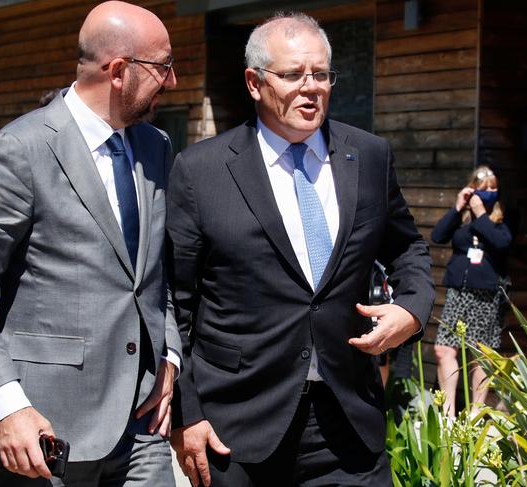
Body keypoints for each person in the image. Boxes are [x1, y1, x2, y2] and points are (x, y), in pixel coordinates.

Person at [166, 12, 434, 487]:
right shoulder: (200, 170)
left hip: (348, 419)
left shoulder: (369, 156)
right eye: (292, 75)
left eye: (322, 74)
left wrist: (411, 310)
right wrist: (187, 414)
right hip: (238, 428)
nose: (311, 88)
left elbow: (407, 247)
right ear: (254, 82)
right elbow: (175, 301)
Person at [0, 2, 181, 485]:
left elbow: (154, 275)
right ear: (118, 72)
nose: (172, 82)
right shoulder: (19, 150)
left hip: (142, 426)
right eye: (163, 67)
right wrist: (9, 408)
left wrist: (170, 356)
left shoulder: (156, 147)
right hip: (46, 431)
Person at [432, 165, 512, 417]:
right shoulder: (463, 219)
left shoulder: (503, 216)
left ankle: (476, 414)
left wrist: (480, 213)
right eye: (483, 188)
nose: (489, 191)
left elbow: (502, 243)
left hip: (487, 293)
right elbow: (438, 235)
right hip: (459, 290)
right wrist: (458, 208)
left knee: (481, 354)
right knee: (444, 348)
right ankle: (448, 415)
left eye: (493, 187)